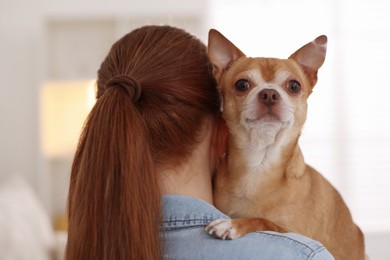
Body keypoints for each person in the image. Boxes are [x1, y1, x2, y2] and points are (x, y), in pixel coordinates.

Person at [66, 25, 333, 259]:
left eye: (292, 87)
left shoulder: (90, 241)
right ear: (222, 129)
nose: (269, 96)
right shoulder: (300, 254)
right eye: (243, 86)